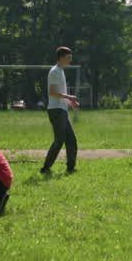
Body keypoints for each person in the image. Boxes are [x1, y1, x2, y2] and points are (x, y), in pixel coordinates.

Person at [40, 46, 79, 175]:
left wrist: (70, 102)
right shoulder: (55, 71)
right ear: (61, 58)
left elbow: (60, 94)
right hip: (56, 111)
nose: (70, 61)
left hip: (61, 109)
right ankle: (45, 169)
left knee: (71, 140)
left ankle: (71, 168)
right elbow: (53, 93)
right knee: (59, 140)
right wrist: (69, 97)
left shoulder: (61, 71)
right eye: (68, 58)